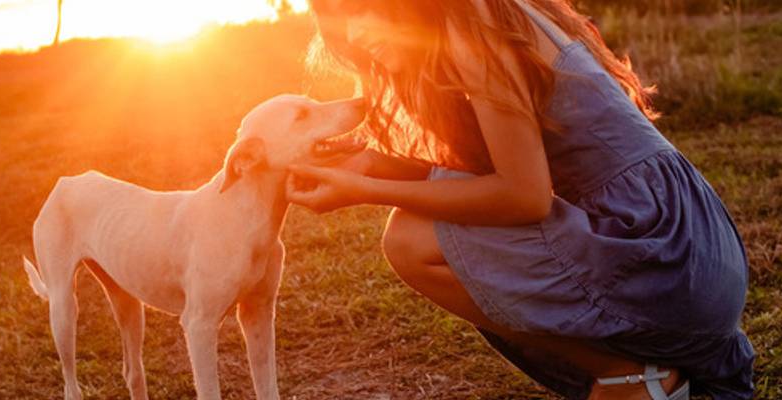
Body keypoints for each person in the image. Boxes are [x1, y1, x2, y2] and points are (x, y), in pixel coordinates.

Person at [286, 1, 755, 399]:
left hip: (666, 252)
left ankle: (629, 377)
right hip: (692, 246)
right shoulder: (487, 17)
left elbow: (524, 197)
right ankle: (636, 372)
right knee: (421, 230)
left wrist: (365, 191)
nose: (353, 33)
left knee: (410, 241)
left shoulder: (478, 33)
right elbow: (502, 176)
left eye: (360, 8)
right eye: (339, 17)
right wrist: (374, 165)